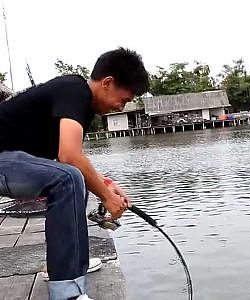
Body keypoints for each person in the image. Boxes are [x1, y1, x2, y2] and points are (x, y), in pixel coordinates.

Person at [0, 48, 149, 300]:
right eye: (123, 100)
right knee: (69, 177)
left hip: (10, 161)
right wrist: (105, 196)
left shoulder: (82, 104)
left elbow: (66, 158)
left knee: (72, 177)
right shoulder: (74, 90)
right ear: (108, 82)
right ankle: (67, 291)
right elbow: (69, 156)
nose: (120, 107)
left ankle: (68, 265)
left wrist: (107, 185)